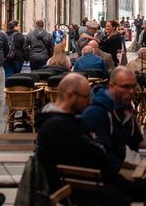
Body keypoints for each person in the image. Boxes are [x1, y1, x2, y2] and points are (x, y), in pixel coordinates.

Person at [36, 72, 132, 206]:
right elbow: (98, 157)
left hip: (86, 186)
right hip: (83, 192)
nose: (90, 101)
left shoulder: (61, 121)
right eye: (86, 96)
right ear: (70, 96)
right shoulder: (60, 127)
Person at [82, 67, 146, 172]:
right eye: (126, 87)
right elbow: (100, 158)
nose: (131, 91)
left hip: (116, 168)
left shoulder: (125, 108)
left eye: (134, 86)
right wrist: (133, 169)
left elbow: (136, 143)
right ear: (111, 86)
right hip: (102, 177)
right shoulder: (96, 113)